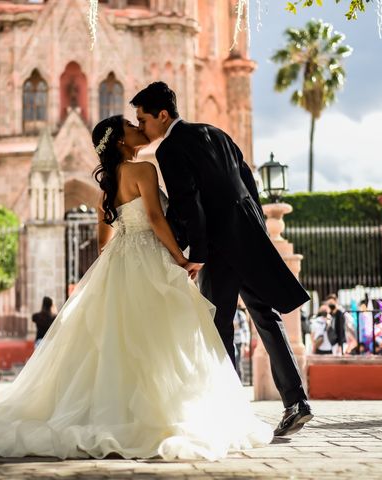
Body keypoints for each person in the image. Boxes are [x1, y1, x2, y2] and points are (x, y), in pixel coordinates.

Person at [0, 115, 273, 460]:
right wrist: (180, 258)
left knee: (119, 340)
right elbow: (157, 218)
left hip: (121, 263)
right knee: (159, 339)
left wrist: (127, 253)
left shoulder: (108, 187)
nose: (135, 127)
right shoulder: (143, 169)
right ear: (119, 141)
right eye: (130, 126)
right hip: (151, 260)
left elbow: (103, 243)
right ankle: (154, 413)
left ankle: (118, 410)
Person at [131, 82, 312, 437]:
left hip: (217, 247)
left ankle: (230, 412)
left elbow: (189, 202)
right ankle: (296, 401)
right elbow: (248, 182)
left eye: (143, 119)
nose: (141, 127)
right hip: (248, 236)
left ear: (162, 115)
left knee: (219, 326)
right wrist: (256, 229)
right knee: (266, 316)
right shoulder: (216, 133)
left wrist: (195, 253)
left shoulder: (170, 149)